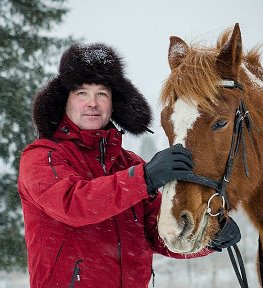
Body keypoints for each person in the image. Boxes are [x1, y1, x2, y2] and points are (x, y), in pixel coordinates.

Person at [18, 43, 235, 288]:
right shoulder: (42, 157)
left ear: (113, 104)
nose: (93, 103)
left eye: (102, 93)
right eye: (81, 93)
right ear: (64, 101)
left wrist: (210, 235)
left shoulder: (129, 164)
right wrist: (144, 179)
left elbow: (160, 233)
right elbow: (74, 205)